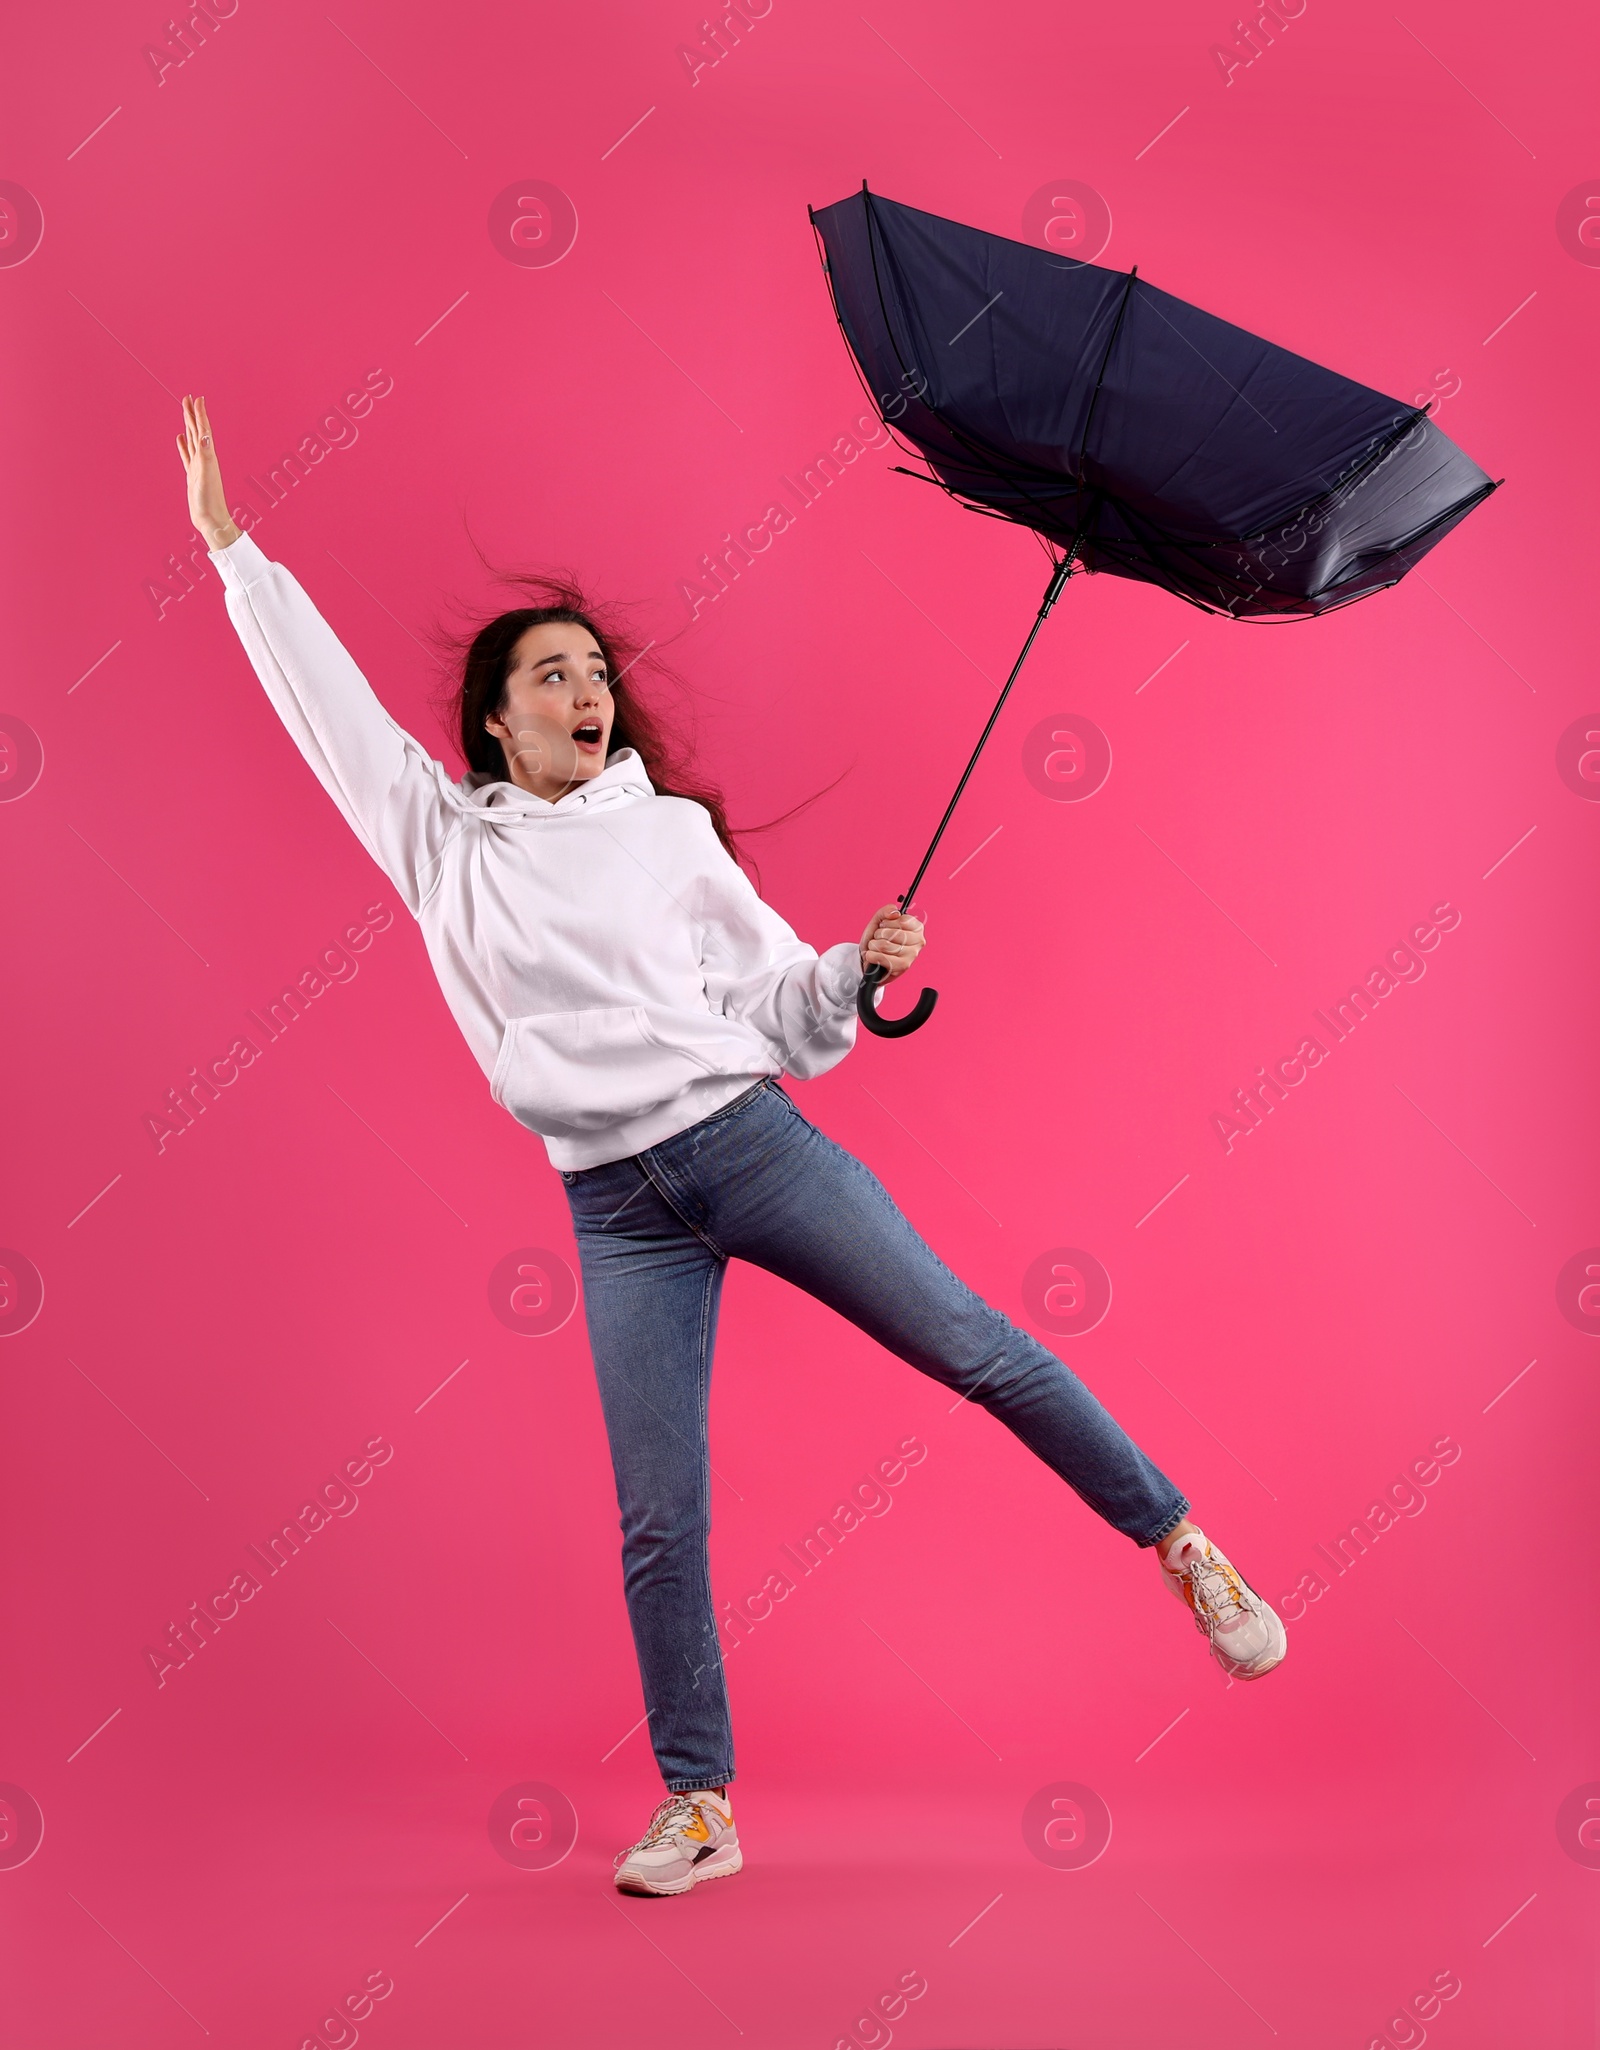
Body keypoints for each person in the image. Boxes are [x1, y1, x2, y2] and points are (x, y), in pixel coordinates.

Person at [176, 393, 1286, 1899]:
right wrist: (239, 555)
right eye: (549, 675)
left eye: (595, 673)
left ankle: (1180, 1542)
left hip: (746, 1141)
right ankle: (700, 1800)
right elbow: (331, 715)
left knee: (973, 1344)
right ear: (497, 721)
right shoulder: (444, 842)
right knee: (658, 1509)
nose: (586, 690)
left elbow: (776, 999)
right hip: (613, 1208)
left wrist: (851, 969)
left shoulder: (671, 836)